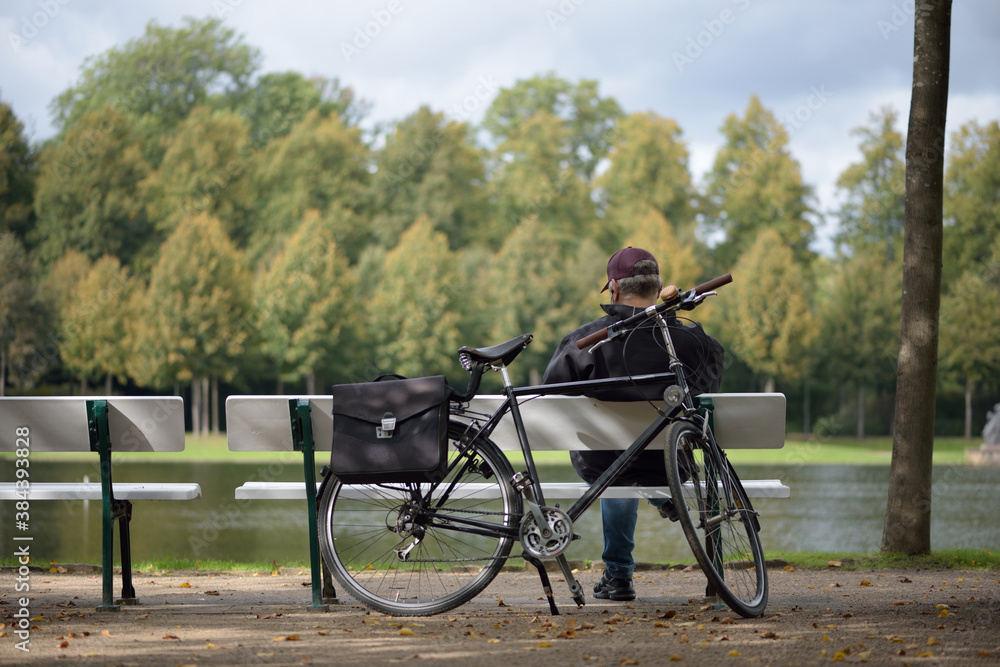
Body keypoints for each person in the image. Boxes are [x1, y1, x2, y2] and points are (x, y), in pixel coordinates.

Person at [542, 246, 724, 601]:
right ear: (658, 290)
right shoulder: (688, 338)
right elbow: (711, 379)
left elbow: (551, 391)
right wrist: (676, 319)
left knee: (616, 463)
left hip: (601, 461)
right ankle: (661, 497)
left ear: (613, 288)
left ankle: (618, 577)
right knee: (632, 461)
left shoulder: (587, 340)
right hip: (671, 462)